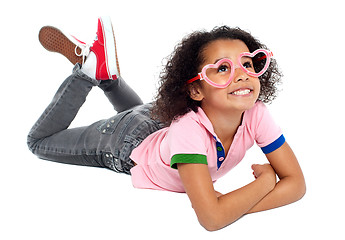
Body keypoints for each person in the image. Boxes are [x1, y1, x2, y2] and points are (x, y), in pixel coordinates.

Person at [27, 17, 306, 231]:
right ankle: (88, 72)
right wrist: (267, 181)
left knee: (139, 113)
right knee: (37, 142)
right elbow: (212, 218)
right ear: (196, 91)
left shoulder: (255, 112)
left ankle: (107, 76)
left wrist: (234, 205)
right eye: (222, 68)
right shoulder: (189, 130)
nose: (243, 75)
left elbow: (297, 185)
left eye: (248, 64)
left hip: (161, 120)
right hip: (125, 143)